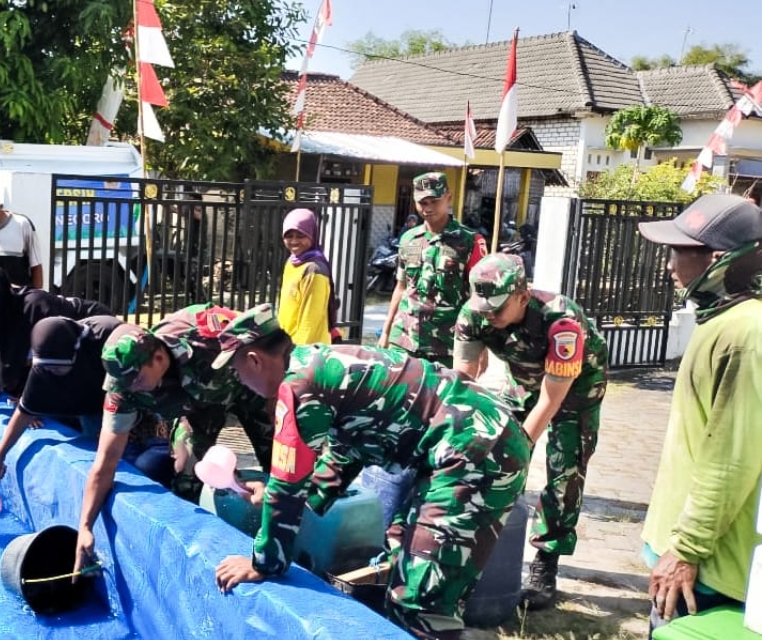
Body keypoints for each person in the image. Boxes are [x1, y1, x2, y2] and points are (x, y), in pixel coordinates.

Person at [211, 304, 530, 640]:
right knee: (400, 551)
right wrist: (298, 503)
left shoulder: (300, 388)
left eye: (236, 371)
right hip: (473, 443)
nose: (239, 381)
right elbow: (343, 453)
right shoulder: (317, 364)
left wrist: (264, 563)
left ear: (254, 360)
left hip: (475, 450)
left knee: (418, 605)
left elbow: (286, 486)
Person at [453, 252, 608, 609]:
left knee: (564, 467)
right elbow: (462, 379)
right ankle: (494, 539)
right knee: (495, 455)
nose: (488, 316)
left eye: (497, 308)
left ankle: (546, 563)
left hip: (577, 384)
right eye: (483, 308)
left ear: (522, 296)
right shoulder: (473, 314)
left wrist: (518, 448)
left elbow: (551, 401)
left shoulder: (562, 321)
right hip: (523, 377)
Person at [73, 303, 275, 578]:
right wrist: (85, 526)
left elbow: (268, 353)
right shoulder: (124, 388)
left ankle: (282, 550)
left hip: (255, 391)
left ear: (158, 357)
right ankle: (200, 558)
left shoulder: (202, 331)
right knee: (184, 475)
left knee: (282, 469)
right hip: (199, 411)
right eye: (125, 383)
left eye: (138, 379)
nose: (132, 388)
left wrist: (283, 416)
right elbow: (105, 463)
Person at [636, 193, 762, 631]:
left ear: (721, 260)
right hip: (680, 547)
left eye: (679, 252)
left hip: (705, 567)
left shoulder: (746, 334)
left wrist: (687, 549)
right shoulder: (722, 322)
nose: (669, 265)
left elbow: (732, 458)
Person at [0, 315, 174, 487]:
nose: (54, 373)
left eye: (59, 368)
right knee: (95, 449)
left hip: (125, 393)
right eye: (49, 369)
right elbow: (23, 413)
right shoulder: (44, 368)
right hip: (88, 402)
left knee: (127, 450)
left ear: (75, 353)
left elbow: (144, 361)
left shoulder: (106, 336)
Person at [0, 267, 113, 453]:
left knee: (90, 413)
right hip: (59, 362)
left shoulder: (35, 307)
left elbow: (56, 361)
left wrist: (32, 403)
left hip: (93, 346)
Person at [379, 172, 487, 366]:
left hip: (447, 344)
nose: (427, 208)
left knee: (442, 396)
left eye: (434, 201)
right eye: (422, 203)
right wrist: (386, 331)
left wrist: (481, 345)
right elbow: (402, 287)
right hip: (404, 339)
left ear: (448, 197)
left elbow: (479, 297)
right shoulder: (408, 239)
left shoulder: (470, 241)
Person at [278, 208, 340, 345]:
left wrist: (297, 355)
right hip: (286, 344)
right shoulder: (292, 262)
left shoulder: (314, 270)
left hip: (306, 351)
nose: (294, 241)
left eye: (300, 236)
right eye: (289, 236)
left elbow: (310, 322)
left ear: (312, 235)